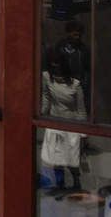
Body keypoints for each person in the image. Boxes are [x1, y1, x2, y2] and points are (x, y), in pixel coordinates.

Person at [41, 56, 87, 194]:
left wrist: (83, 133)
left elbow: (81, 110)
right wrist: (42, 114)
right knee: (56, 157)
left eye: (59, 67)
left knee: (71, 158)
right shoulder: (47, 77)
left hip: (71, 125)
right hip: (55, 123)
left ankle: (76, 183)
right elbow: (46, 96)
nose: (56, 70)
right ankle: (60, 184)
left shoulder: (75, 85)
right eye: (53, 67)